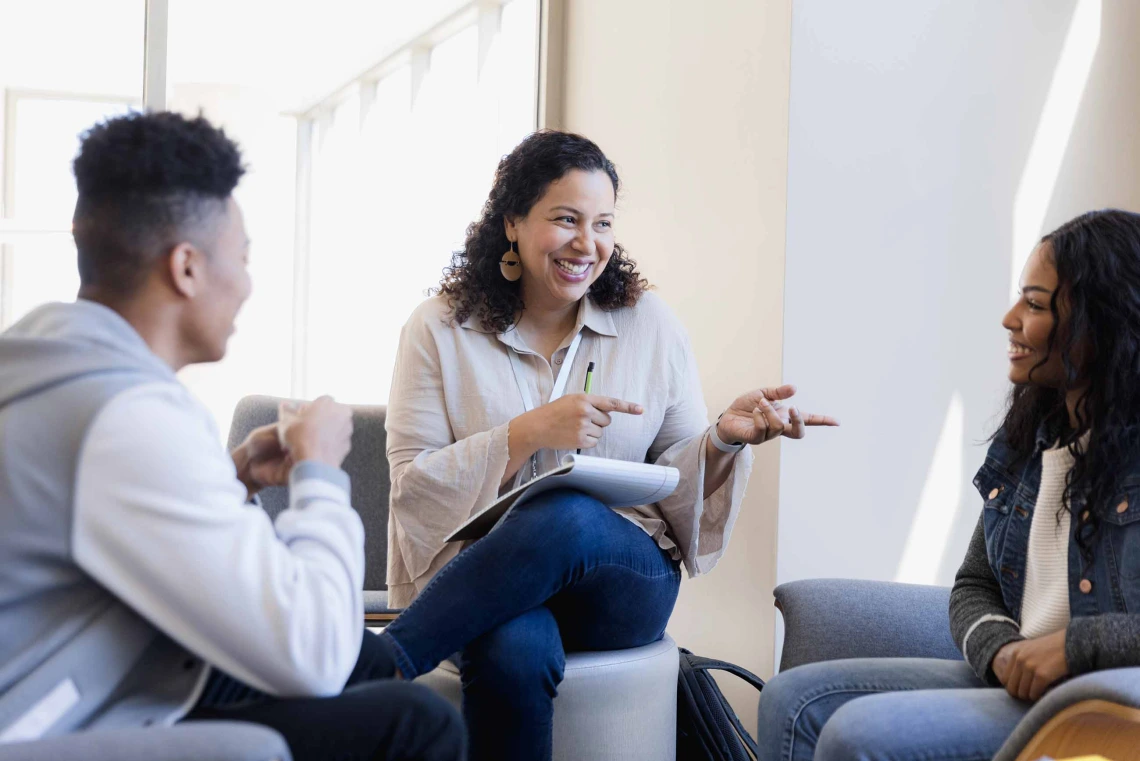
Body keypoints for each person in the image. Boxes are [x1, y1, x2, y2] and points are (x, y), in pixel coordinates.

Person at [0, 112, 463, 761]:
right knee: (415, 720)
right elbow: (315, 654)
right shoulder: (131, 416)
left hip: (64, 676)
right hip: (37, 727)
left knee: (372, 655)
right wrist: (322, 475)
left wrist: (233, 479)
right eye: (242, 257)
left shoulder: (42, 358)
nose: (246, 283)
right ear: (186, 268)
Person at [374, 129, 838, 761]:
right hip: (475, 577)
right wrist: (527, 433)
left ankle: (385, 663)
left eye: (602, 223)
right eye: (565, 219)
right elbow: (413, 484)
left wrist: (724, 439)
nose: (586, 244)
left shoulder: (649, 325)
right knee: (512, 647)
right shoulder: (438, 329)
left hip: (620, 583)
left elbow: (677, 482)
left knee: (565, 514)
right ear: (512, 222)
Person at [755, 209, 1140, 761]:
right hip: (1020, 687)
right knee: (791, 700)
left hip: (1103, 704)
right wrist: (1001, 651)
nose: (1009, 319)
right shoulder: (1029, 439)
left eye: (1034, 304)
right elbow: (975, 586)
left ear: (1105, 321)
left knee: (858, 734)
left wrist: (1077, 649)